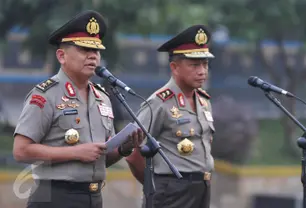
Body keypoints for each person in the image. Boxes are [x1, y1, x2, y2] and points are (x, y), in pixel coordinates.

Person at [12, 10, 143, 208]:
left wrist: (123, 149)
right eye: (84, 49)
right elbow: (21, 151)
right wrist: (75, 152)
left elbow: (98, 157)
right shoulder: (45, 95)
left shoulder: (102, 98)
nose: (92, 56)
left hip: (93, 196)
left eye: (96, 51)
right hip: (54, 196)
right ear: (61, 56)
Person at [127, 24, 216, 208]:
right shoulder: (159, 102)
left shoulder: (203, 100)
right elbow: (133, 152)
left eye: (205, 64)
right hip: (171, 191)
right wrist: (155, 187)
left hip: (202, 187)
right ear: (175, 67)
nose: (202, 71)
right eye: (194, 65)